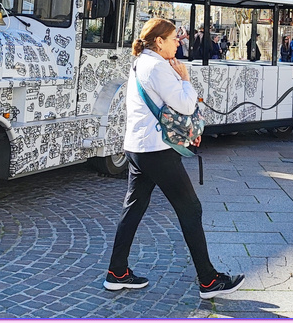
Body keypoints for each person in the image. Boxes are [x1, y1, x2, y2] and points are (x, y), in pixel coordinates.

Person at [105, 17, 245, 299]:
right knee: (190, 209)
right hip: (157, 149)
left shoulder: (142, 61)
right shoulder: (158, 66)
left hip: (138, 146)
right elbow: (184, 102)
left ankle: (116, 272)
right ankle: (208, 279)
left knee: (134, 207)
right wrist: (185, 79)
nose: (178, 42)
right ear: (159, 41)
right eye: (173, 39)